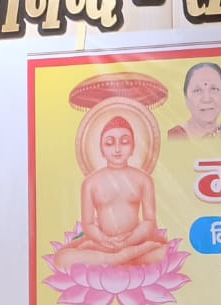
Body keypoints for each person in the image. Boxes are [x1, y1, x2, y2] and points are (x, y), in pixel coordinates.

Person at [54, 115, 168, 268]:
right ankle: (121, 258)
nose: (117, 149)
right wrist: (105, 240)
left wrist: (128, 241)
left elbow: (150, 221)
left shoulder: (143, 179)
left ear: (133, 147)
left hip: (135, 241)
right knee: (61, 258)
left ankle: (119, 257)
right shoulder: (90, 183)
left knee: (165, 253)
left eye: (125, 142)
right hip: (103, 245)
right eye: (109, 143)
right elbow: (88, 224)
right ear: (101, 149)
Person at [167, 62, 221, 140]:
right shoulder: (174, 136)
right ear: (186, 98)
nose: (206, 99)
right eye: (197, 90)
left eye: (214, 89)